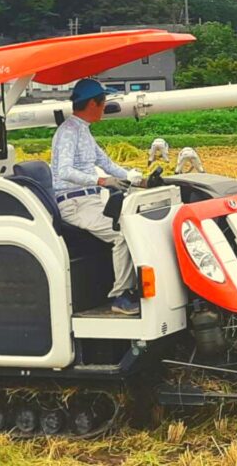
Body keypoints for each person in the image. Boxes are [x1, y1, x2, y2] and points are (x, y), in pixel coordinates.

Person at [51, 79, 144, 315]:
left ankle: (130, 288)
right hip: (73, 202)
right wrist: (101, 181)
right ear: (93, 103)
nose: (104, 108)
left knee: (133, 222)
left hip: (88, 200)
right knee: (123, 232)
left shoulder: (83, 131)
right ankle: (120, 296)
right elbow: (63, 171)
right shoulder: (68, 132)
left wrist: (136, 179)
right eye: (103, 103)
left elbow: (106, 164)